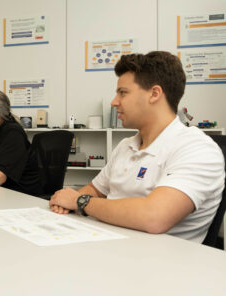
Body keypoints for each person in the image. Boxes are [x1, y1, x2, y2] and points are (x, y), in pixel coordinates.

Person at [49, 51, 225, 242]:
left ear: (154, 94)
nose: (114, 102)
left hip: (160, 264)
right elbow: (95, 189)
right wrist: (65, 202)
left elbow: (155, 216)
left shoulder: (197, 148)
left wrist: (79, 201)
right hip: (109, 244)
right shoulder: (127, 145)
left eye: (123, 92)